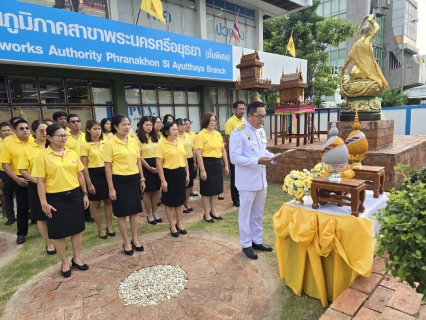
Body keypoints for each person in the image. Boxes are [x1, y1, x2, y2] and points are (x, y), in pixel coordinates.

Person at [33, 124, 89, 277]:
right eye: (60, 135)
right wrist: (44, 203)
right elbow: (41, 182)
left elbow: (80, 175)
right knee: (59, 233)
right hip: (55, 198)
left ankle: (77, 258)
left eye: (65, 135)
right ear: (49, 138)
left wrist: (84, 194)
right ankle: (64, 262)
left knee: (77, 229)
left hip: (74, 196)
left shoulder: (72, 153)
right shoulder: (42, 157)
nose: (64, 138)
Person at [230, 101, 276, 260]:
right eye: (259, 116)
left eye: (264, 116)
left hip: (261, 180)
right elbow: (234, 158)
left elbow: (263, 151)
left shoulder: (261, 131)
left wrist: (272, 157)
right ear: (249, 115)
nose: (262, 119)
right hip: (247, 182)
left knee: (258, 213)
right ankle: (246, 244)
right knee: (245, 213)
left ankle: (257, 240)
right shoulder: (239, 132)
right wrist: (257, 161)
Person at [103, 114, 145, 256]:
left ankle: (135, 239)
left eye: (128, 124)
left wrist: (142, 178)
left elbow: (138, 161)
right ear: (115, 127)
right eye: (123, 124)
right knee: (121, 214)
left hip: (133, 179)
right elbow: (107, 167)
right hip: (119, 181)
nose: (127, 127)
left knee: (134, 212)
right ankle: (126, 241)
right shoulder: (109, 144)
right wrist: (111, 187)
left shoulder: (133, 141)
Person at [18, 120, 56, 254]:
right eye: (41, 130)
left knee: (55, 214)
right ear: (34, 132)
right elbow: (23, 169)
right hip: (36, 186)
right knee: (41, 215)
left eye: (47, 130)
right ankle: (49, 243)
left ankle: (58, 239)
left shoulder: (53, 145)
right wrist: (38, 181)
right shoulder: (27, 149)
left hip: (55, 185)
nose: (45, 133)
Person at [80, 120, 115, 239]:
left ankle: (109, 226)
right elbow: (83, 165)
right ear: (88, 130)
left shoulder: (107, 142)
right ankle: (100, 229)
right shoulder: (85, 145)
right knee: (96, 203)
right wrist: (88, 182)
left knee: (108, 201)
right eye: (94, 129)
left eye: (99, 129)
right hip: (93, 174)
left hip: (107, 172)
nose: (97, 131)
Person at [0, 119, 31, 244]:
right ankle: (22, 233)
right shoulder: (8, 144)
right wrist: (16, 179)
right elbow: (5, 164)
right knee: (23, 206)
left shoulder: (35, 141)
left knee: (42, 204)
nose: (25, 130)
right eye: (22, 128)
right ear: (14, 131)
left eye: (27, 128)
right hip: (20, 179)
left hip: (38, 177)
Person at [156, 121, 189, 237]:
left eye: (176, 129)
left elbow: (184, 159)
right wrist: (163, 180)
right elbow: (159, 164)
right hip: (169, 174)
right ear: (167, 132)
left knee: (180, 201)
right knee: (169, 202)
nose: (176, 131)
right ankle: (172, 225)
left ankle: (179, 224)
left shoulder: (179, 142)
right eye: (173, 130)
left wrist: (187, 174)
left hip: (180, 173)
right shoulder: (161, 144)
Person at [194, 112, 229, 223]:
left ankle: (214, 211)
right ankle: (206, 213)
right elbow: (198, 153)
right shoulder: (201, 135)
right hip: (206, 163)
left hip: (217, 164)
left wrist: (226, 165)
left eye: (214, 120)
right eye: (211, 120)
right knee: (206, 191)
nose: (213, 122)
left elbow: (223, 150)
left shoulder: (218, 134)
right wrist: (202, 170)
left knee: (216, 190)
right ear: (205, 121)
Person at [66, 114, 94, 223]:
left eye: (78, 121)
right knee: (76, 192)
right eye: (73, 121)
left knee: (86, 191)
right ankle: (77, 214)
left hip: (86, 167)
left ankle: (87, 214)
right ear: (68, 124)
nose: (76, 123)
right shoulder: (65, 137)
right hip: (72, 168)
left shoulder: (85, 136)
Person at [137, 116, 162, 225]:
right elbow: (139, 157)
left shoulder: (156, 137)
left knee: (156, 190)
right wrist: (149, 168)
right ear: (141, 125)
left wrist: (158, 165)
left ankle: (155, 212)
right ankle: (149, 214)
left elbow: (161, 152)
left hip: (157, 165)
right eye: (146, 125)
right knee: (147, 192)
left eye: (150, 125)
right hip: (145, 167)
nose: (149, 127)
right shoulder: (137, 139)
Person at [225, 101, 246, 207]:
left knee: (243, 175)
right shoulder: (230, 122)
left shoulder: (245, 121)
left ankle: (242, 197)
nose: (242, 111)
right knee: (235, 176)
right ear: (234, 109)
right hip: (235, 152)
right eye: (240, 109)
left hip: (244, 152)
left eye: (243, 109)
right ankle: (235, 199)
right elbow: (228, 139)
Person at [176, 118, 196, 213]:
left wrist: (194, 162)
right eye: (181, 125)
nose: (184, 126)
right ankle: (180, 204)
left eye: (184, 124)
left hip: (189, 160)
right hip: (180, 161)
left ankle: (186, 203)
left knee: (189, 184)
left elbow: (193, 149)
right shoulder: (175, 137)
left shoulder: (188, 136)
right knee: (180, 184)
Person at [0, 122, 15, 225]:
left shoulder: (16, 141)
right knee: (8, 196)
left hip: (18, 171)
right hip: (4, 173)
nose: (7, 132)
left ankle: (29, 215)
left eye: (8, 130)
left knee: (22, 195)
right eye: (4, 130)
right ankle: (10, 217)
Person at [184, 118, 199, 197]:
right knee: (186, 175)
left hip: (192, 157)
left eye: (189, 124)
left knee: (192, 175)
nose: (187, 125)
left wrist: (195, 161)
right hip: (184, 159)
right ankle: (186, 193)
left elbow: (195, 148)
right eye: (185, 124)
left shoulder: (193, 135)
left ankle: (191, 191)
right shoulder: (181, 136)